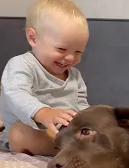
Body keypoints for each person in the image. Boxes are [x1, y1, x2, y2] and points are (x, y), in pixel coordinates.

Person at [0, 0, 90, 156]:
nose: (70, 58)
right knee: (19, 133)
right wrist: (43, 112)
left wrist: (89, 122)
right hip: (31, 132)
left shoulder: (74, 76)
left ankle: (80, 144)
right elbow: (15, 94)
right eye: (62, 49)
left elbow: (81, 104)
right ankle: (74, 148)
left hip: (65, 133)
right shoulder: (21, 65)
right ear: (33, 38)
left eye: (78, 52)